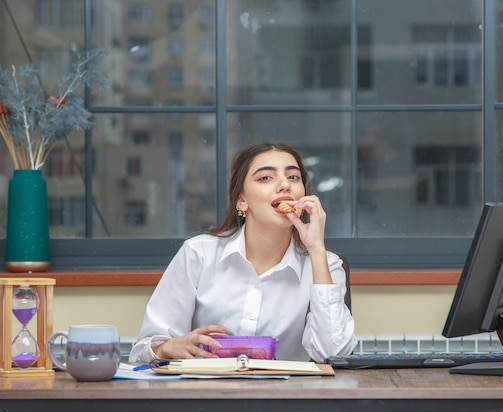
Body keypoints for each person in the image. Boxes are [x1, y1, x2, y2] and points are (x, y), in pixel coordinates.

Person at [129, 142, 357, 364]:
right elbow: (142, 352)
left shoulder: (327, 265)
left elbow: (333, 355)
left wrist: (316, 249)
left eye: (293, 177)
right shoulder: (198, 254)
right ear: (242, 201)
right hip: (203, 393)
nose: (284, 185)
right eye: (265, 177)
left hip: (285, 396)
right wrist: (168, 347)